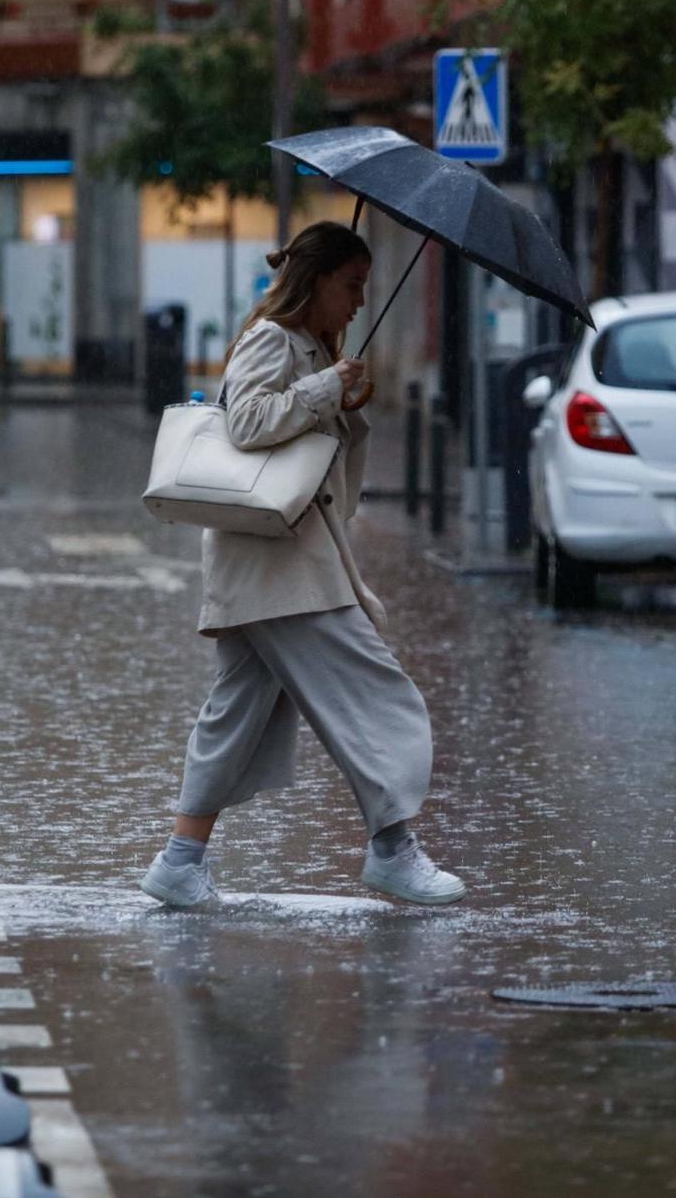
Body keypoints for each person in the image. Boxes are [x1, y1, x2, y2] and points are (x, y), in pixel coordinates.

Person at [140, 221, 465, 910]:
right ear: (315, 281)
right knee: (376, 692)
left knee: (237, 713)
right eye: (350, 286)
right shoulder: (272, 339)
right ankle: (392, 849)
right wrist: (324, 389)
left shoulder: (310, 348)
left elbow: (311, 457)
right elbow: (248, 422)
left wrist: (339, 396)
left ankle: (179, 859)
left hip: (270, 563)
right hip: (278, 565)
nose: (357, 302)